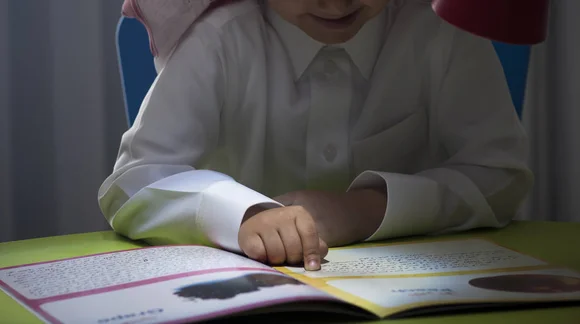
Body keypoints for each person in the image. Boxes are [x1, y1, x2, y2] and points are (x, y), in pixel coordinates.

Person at [99, 0, 533, 271]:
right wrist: (245, 215)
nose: (335, 1)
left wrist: (364, 209)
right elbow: (134, 181)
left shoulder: (438, 35)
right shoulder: (220, 40)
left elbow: (501, 175)